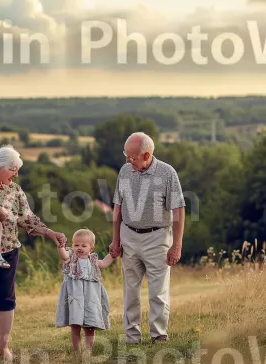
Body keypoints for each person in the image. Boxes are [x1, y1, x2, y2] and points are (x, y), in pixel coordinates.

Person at [0, 145, 67, 361]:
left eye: (17, 170)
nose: (16, 174)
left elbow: (27, 218)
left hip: (8, 250)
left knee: (6, 299)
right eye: (13, 169)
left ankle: (3, 349)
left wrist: (50, 233)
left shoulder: (15, 190)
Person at [109, 132, 186, 345]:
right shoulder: (125, 171)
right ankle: (132, 336)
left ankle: (159, 335)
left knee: (157, 291)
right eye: (126, 155)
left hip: (157, 237)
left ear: (146, 155)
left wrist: (176, 245)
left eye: (132, 156)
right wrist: (116, 240)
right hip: (129, 235)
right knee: (130, 291)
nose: (127, 160)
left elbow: (178, 211)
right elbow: (117, 207)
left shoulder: (167, 173)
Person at [55, 229, 114, 352]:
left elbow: (104, 263)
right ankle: (77, 351)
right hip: (75, 297)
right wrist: (60, 246)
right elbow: (63, 255)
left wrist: (112, 254)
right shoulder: (71, 259)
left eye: (83, 245)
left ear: (91, 248)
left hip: (90, 297)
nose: (79, 248)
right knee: (75, 325)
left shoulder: (93, 261)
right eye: (76, 245)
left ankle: (88, 350)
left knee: (90, 326)